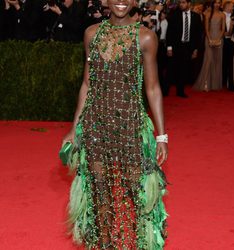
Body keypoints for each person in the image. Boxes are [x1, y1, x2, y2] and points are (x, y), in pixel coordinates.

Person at [60, 0, 169, 248]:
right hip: (95, 126)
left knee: (138, 192)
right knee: (99, 192)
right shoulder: (91, 34)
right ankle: (105, 244)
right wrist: (74, 128)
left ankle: (136, 243)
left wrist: (161, 136)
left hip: (131, 126)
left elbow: (152, 88)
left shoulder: (145, 37)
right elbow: (87, 84)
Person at [166, 0, 203, 97]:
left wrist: (195, 49)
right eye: (180, 3)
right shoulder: (175, 15)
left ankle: (180, 91)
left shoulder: (196, 16)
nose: (181, 4)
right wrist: (169, 48)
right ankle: (165, 91)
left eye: (183, 2)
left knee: (184, 70)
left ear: (189, 4)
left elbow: (198, 35)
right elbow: (169, 32)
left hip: (188, 47)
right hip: (175, 46)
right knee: (170, 69)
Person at [193, 0, 225, 91]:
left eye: (219, 3)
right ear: (213, 3)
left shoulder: (222, 15)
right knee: (208, 60)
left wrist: (218, 39)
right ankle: (205, 83)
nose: (217, 4)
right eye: (215, 2)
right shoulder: (207, 14)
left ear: (220, 4)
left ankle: (214, 84)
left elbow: (223, 29)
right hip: (209, 39)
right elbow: (206, 28)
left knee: (217, 61)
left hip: (219, 39)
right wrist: (210, 39)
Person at [222, 1, 234, 91]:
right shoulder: (220, 15)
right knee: (222, 63)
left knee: (231, 63)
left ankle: (230, 84)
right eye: (231, 6)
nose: (232, 8)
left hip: (231, 42)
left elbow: (232, 32)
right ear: (226, 6)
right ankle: (221, 82)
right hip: (222, 41)